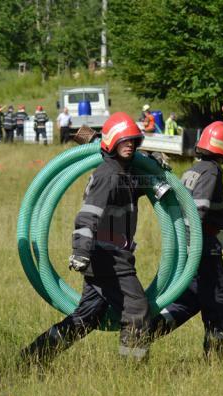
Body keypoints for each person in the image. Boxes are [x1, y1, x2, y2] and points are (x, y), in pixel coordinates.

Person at [20, 112, 151, 365]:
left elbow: (136, 187)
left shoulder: (123, 173)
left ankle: (32, 357)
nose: (130, 145)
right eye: (124, 141)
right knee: (136, 310)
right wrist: (80, 251)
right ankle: (134, 372)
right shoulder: (108, 175)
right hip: (107, 255)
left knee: (88, 317)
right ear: (111, 142)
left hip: (110, 253)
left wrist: (156, 169)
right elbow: (87, 215)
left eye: (133, 141)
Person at [149, 121, 223, 361]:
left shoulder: (195, 169)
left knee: (188, 300)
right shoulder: (212, 171)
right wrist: (195, 243)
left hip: (189, 247)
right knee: (218, 302)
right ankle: (216, 359)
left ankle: (145, 333)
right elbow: (198, 208)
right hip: (203, 248)